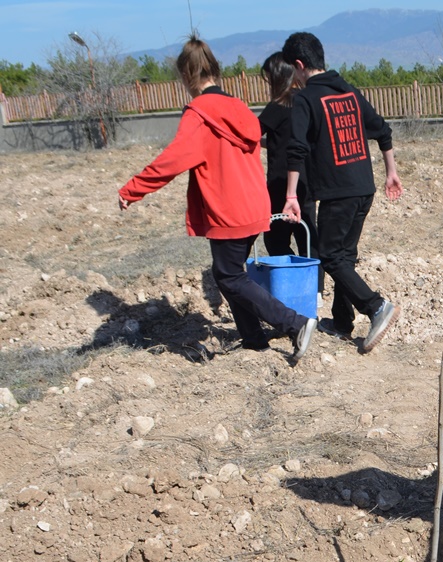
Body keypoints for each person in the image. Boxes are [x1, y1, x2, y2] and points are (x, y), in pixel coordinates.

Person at [118, 35, 316, 362]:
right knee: (228, 272)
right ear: (216, 70)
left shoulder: (200, 114)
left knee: (228, 275)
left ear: (186, 76)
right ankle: (253, 339)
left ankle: (294, 323)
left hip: (228, 209)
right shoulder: (238, 107)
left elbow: (172, 160)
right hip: (255, 203)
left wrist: (132, 189)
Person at [280, 31, 402, 353]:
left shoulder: (306, 99)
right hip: (365, 188)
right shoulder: (348, 91)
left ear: (299, 65)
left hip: (338, 193)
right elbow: (382, 129)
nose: (293, 78)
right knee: (345, 256)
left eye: (292, 71)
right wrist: (391, 172)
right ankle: (342, 321)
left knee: (331, 256)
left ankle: (376, 307)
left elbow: (296, 151)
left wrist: (291, 196)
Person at [258, 52, 319, 275]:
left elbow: (252, 132)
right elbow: (289, 138)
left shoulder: (278, 105)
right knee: (308, 237)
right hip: (305, 181)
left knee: (275, 239)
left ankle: (287, 278)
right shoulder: (305, 102)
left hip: (280, 182)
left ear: (278, 78)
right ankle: (314, 288)